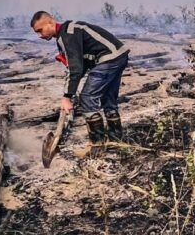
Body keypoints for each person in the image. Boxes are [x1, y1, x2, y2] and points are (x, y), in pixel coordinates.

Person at [31, 11, 129, 144]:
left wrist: (66, 97)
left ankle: (97, 146)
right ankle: (116, 142)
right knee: (107, 99)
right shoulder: (67, 33)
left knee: (87, 98)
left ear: (50, 22)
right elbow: (81, 66)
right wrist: (70, 92)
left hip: (108, 58)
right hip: (118, 56)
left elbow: (75, 68)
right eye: (37, 33)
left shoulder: (68, 35)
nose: (39, 35)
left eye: (40, 30)